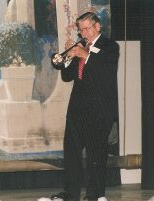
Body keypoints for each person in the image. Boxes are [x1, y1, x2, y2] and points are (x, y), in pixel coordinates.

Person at [51, 12, 119, 201]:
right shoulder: (80, 47)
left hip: (99, 110)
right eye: (81, 30)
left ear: (98, 27)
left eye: (87, 28)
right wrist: (68, 59)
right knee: (71, 152)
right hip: (77, 109)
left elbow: (105, 69)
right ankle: (70, 193)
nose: (84, 34)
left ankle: (95, 195)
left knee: (96, 155)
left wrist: (85, 55)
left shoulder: (110, 47)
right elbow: (67, 77)